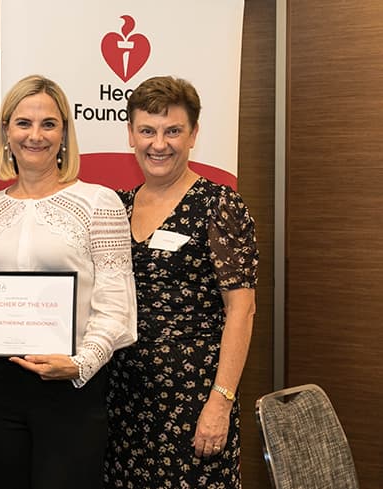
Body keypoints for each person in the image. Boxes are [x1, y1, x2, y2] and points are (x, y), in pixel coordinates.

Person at [0, 75, 137, 489]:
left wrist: (80, 364)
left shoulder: (99, 202)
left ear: (65, 134)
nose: (35, 135)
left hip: (70, 387)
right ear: (5, 132)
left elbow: (115, 303)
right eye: (23, 123)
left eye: (49, 124)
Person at [103, 76, 258, 489]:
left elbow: (241, 310)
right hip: (123, 398)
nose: (159, 144)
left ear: (193, 135)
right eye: (147, 131)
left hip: (193, 401)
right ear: (131, 134)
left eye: (173, 131)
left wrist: (220, 403)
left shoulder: (219, 205)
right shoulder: (116, 206)